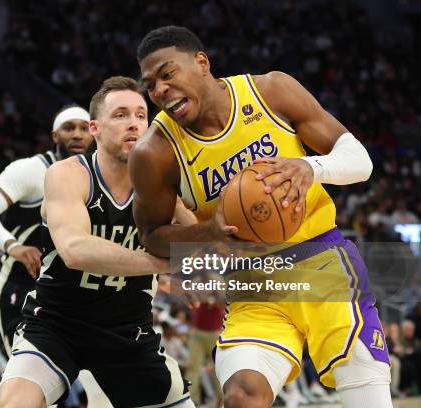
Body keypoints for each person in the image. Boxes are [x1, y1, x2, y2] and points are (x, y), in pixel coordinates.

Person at [132, 26, 391, 408]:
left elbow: (360, 161)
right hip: (253, 284)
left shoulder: (270, 91)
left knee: (365, 386)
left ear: (202, 63)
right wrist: (208, 231)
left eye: (168, 74)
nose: (160, 90)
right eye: (150, 85)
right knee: (241, 397)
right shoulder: (154, 152)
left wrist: (310, 168)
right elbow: (151, 234)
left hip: (322, 263)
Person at [0, 76, 195, 408]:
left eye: (140, 115)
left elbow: (207, 247)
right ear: (95, 128)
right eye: (120, 115)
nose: (133, 123)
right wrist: (164, 265)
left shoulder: (161, 184)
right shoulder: (67, 174)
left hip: (128, 333)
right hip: (57, 324)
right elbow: (75, 250)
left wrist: (200, 266)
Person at [0, 104, 93, 354]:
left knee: (87, 386)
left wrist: (182, 278)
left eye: (83, 128)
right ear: (55, 135)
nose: (77, 134)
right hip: (24, 285)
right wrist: (13, 246)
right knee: (27, 378)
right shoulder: (31, 169)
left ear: (95, 132)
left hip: (75, 290)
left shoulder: (100, 175)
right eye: (69, 128)